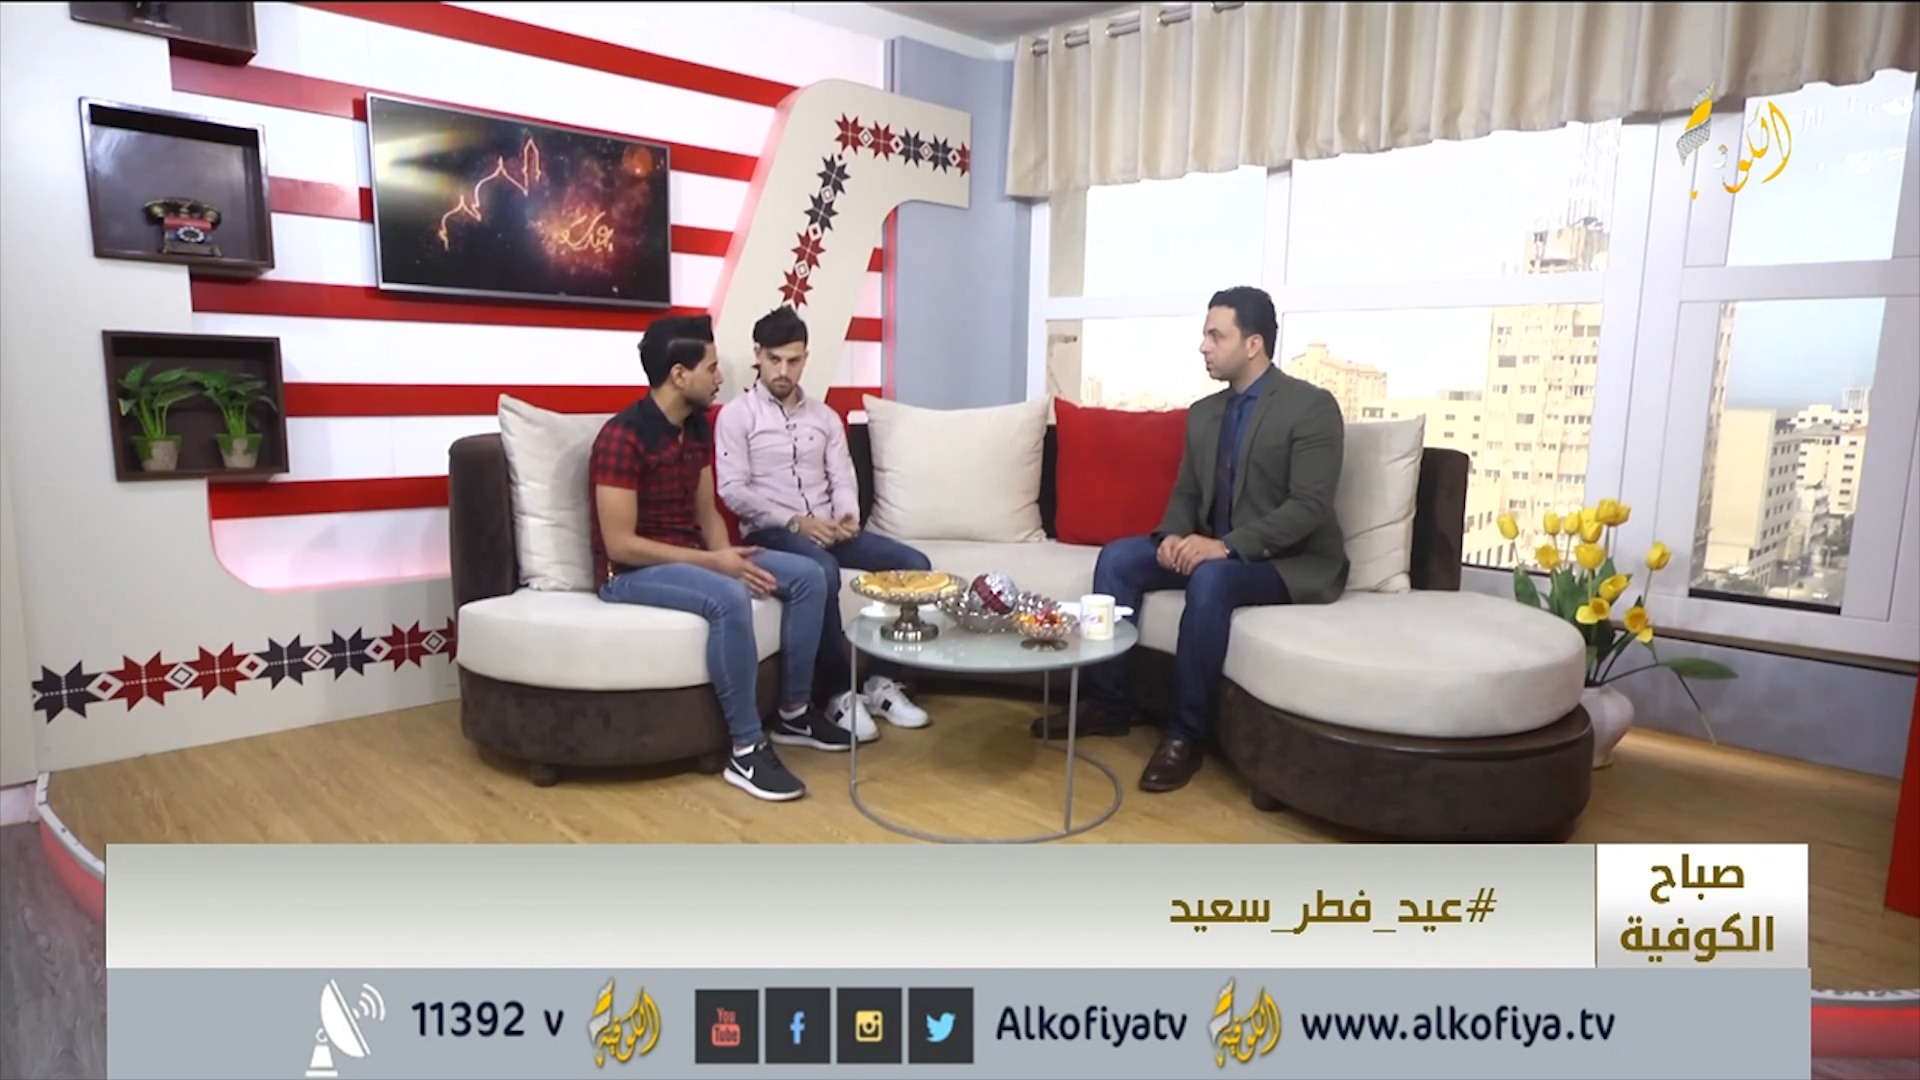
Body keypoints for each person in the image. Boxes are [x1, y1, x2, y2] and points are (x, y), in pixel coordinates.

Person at [1034, 286, 1348, 793]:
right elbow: (1187, 491)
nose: (1203, 346)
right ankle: (1109, 703)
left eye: (1215, 336)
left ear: (1253, 344)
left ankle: (1185, 734)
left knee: (1212, 580)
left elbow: (1308, 508)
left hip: (1287, 561)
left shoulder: (1310, 407)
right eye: (1205, 334)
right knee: (1118, 560)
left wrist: (1224, 547)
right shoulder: (1205, 413)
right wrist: (1173, 535)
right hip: (1213, 548)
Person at [589, 314, 852, 804]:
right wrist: (717, 566)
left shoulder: (693, 428)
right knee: (728, 597)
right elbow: (621, 544)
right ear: (678, 375)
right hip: (629, 574)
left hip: (690, 558)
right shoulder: (622, 436)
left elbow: (707, 512)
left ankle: (795, 712)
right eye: (711, 368)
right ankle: (746, 749)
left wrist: (724, 553)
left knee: (810, 575)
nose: (720, 377)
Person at [714, 306, 933, 742]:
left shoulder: (824, 417)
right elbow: (733, 490)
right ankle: (837, 693)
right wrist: (797, 522)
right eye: (774, 359)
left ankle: (881, 682)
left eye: (793, 360)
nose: (783, 370)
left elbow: (842, 477)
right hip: (773, 533)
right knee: (823, 570)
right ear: (757, 354)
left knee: (914, 564)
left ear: (806, 358)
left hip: (829, 530)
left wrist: (847, 516)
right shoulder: (737, 416)